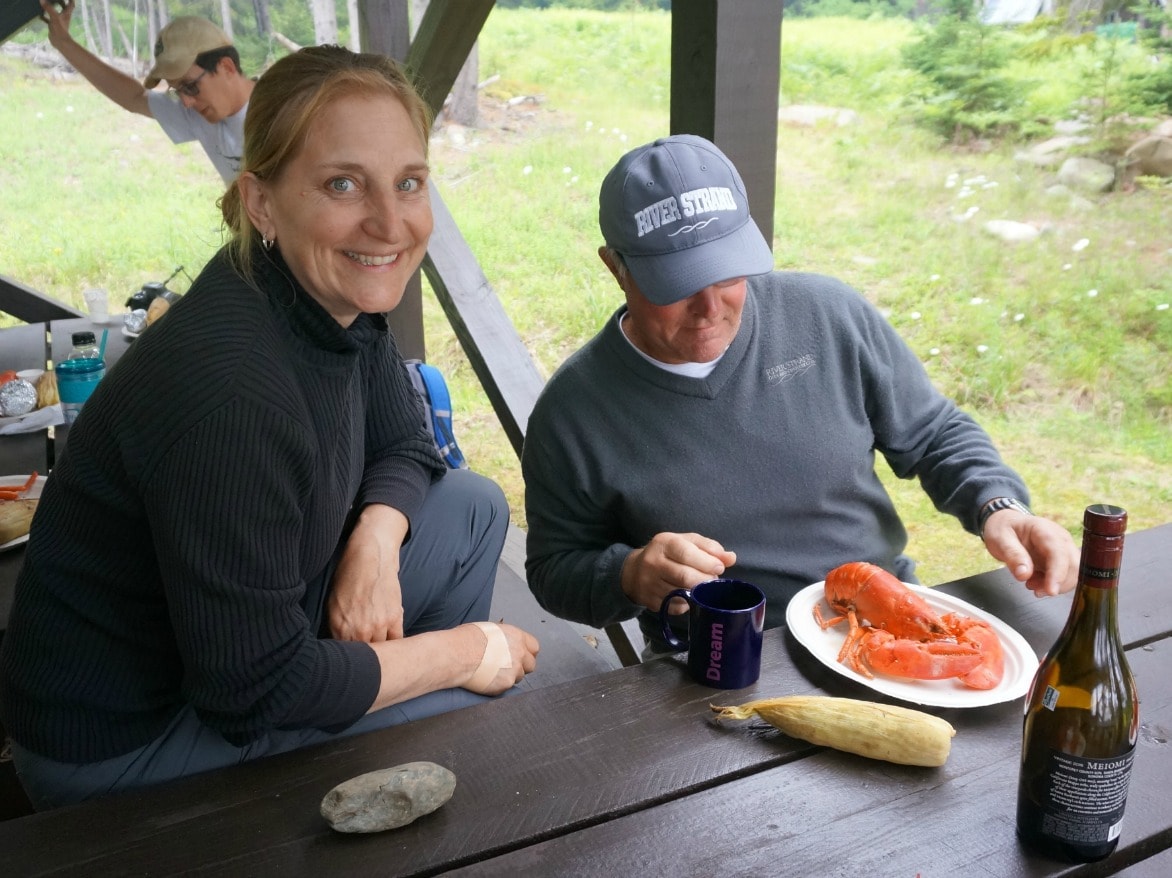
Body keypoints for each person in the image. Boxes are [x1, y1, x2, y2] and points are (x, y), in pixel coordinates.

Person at [0, 45, 539, 810]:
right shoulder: (232, 394)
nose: (389, 222)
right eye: (342, 184)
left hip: (232, 649)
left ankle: (371, 751)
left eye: (409, 182)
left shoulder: (325, 298)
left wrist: (374, 548)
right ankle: (355, 781)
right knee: (484, 700)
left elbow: (407, 444)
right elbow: (253, 691)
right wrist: (457, 655)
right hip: (124, 743)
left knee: (471, 506)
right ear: (260, 201)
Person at [522, 134, 1080, 656]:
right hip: (718, 655)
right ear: (615, 267)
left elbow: (933, 433)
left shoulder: (827, 316)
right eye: (677, 284)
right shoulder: (574, 412)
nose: (710, 308)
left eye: (725, 273)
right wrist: (627, 574)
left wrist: (998, 505)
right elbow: (554, 572)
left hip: (886, 617)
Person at [40, 3, 254, 184]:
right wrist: (64, 43)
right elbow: (134, 98)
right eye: (177, 91)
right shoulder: (198, 114)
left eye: (190, 86)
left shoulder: (280, 110)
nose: (187, 102)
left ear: (226, 67)